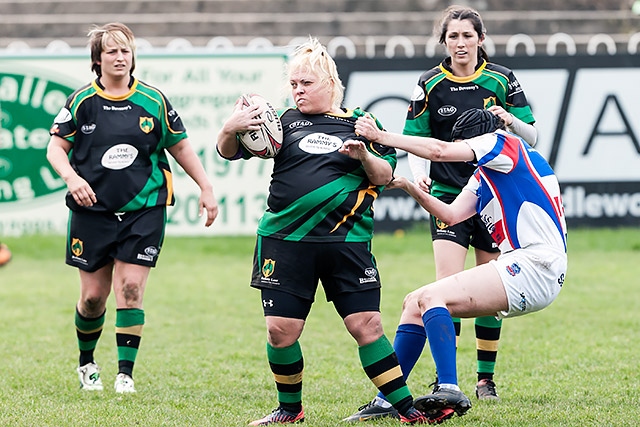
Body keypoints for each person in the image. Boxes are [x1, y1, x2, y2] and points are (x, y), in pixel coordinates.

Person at [216, 37, 444, 425]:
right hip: (285, 241)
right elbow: (229, 151)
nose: (297, 91)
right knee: (280, 332)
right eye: (293, 84)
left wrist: (364, 154)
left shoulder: (363, 123)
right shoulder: (283, 122)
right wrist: (230, 127)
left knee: (367, 326)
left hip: (347, 241)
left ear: (329, 83)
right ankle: (290, 411)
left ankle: (408, 412)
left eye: (305, 83)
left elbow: (386, 175)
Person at [345, 6, 538, 421]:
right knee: (445, 289)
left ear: (480, 39)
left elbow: (532, 135)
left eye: (468, 35)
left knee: (488, 291)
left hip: (491, 197)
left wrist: (508, 119)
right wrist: (421, 176)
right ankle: (442, 379)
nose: (461, 43)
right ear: (444, 41)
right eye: (453, 37)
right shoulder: (430, 82)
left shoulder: (502, 79)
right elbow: (418, 138)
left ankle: (485, 379)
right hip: (451, 196)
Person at [354, 108, 567, 420]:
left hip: (537, 264)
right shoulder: (485, 175)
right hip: (528, 265)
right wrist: (410, 187)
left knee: (431, 297)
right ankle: (387, 399)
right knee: (414, 302)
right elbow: (451, 216)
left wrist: (381, 137)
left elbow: (439, 151)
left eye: (463, 146)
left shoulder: (502, 143)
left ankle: (449, 388)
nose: (464, 157)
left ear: (474, 138)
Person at [46, 22, 218, 394]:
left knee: (131, 290)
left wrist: (206, 187)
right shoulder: (81, 102)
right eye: (112, 51)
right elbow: (55, 148)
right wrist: (72, 179)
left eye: (126, 51)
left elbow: (182, 147)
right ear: (98, 59)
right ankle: (87, 364)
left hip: (145, 210)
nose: (120, 57)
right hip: (92, 211)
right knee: (93, 298)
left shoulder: (154, 101)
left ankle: (126, 374)